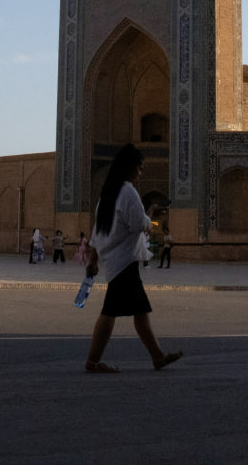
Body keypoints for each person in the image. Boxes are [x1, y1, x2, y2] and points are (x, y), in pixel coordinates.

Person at [83, 144, 182, 374]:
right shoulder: (128, 192)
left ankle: (157, 356)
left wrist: (93, 258)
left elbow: (98, 230)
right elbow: (138, 225)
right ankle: (93, 361)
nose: (141, 172)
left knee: (139, 311)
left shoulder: (107, 194)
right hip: (124, 263)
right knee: (111, 312)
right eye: (139, 167)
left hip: (114, 261)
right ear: (130, 168)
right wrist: (150, 216)